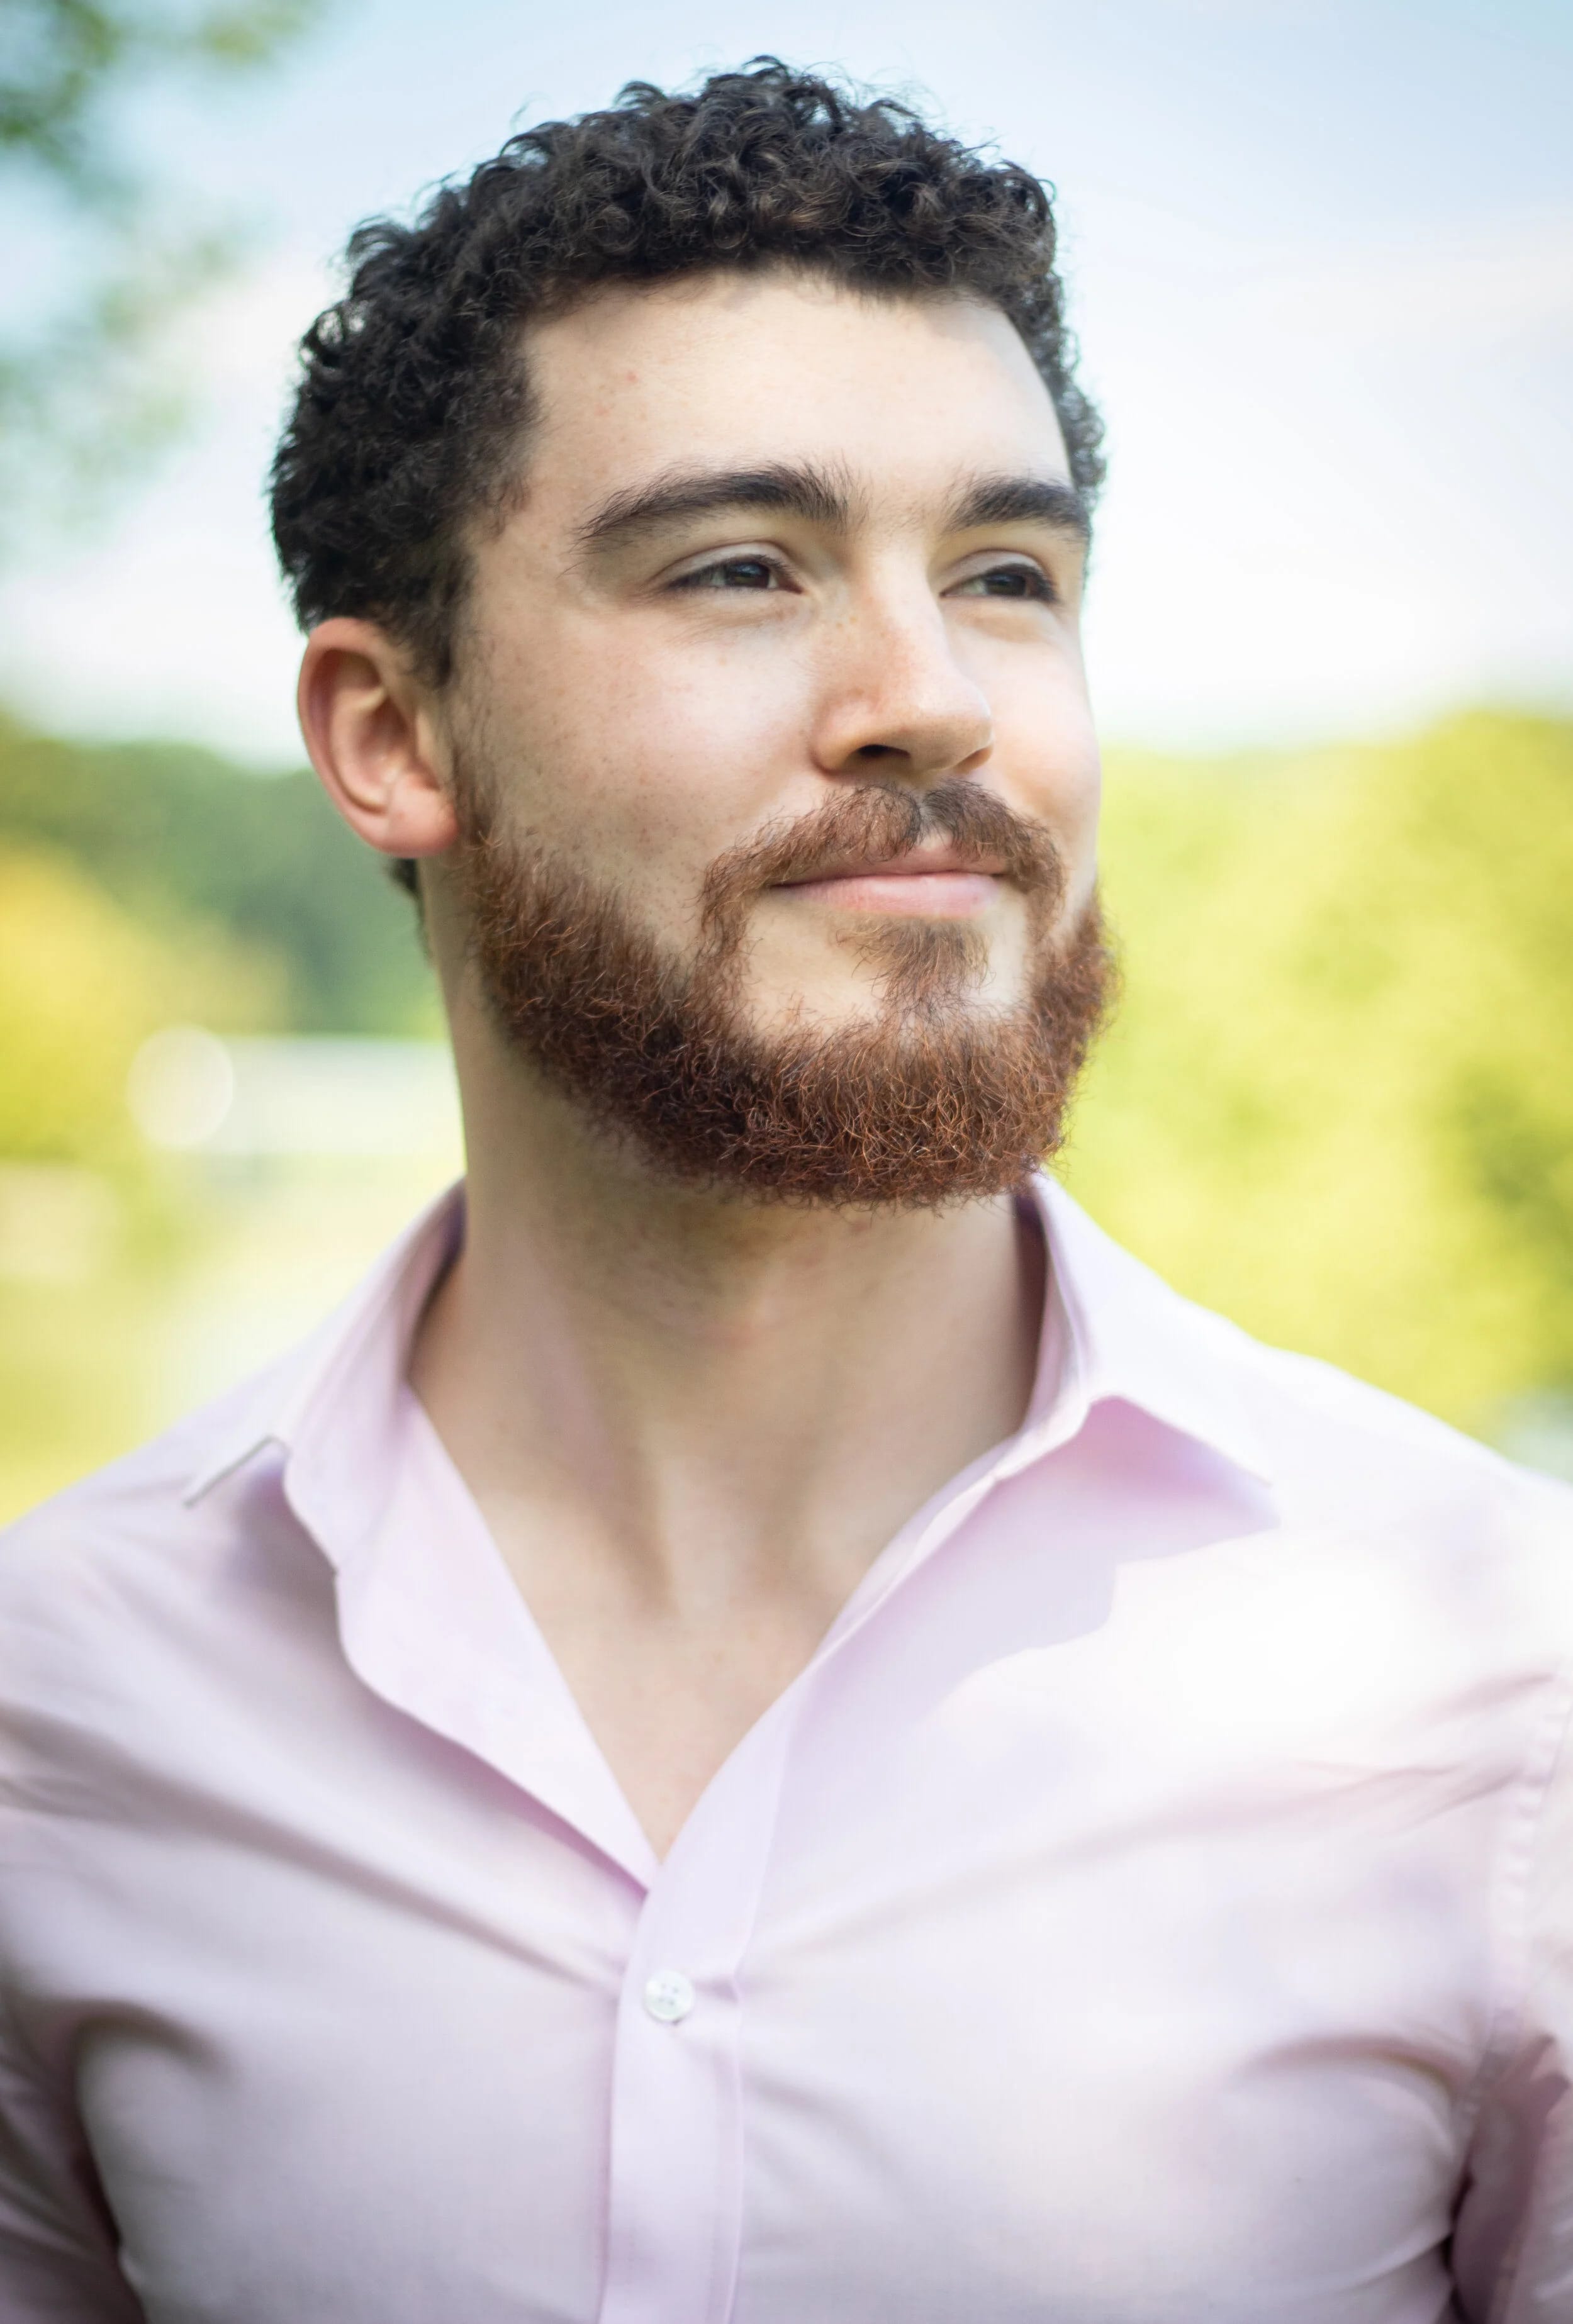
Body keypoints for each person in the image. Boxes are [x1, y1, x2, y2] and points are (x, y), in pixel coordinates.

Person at [1, 59, 1569, 2324]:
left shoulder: (1502, 1694)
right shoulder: (63, 1716)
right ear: (390, 735)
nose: (927, 697)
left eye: (1008, 574)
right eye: (745, 566)